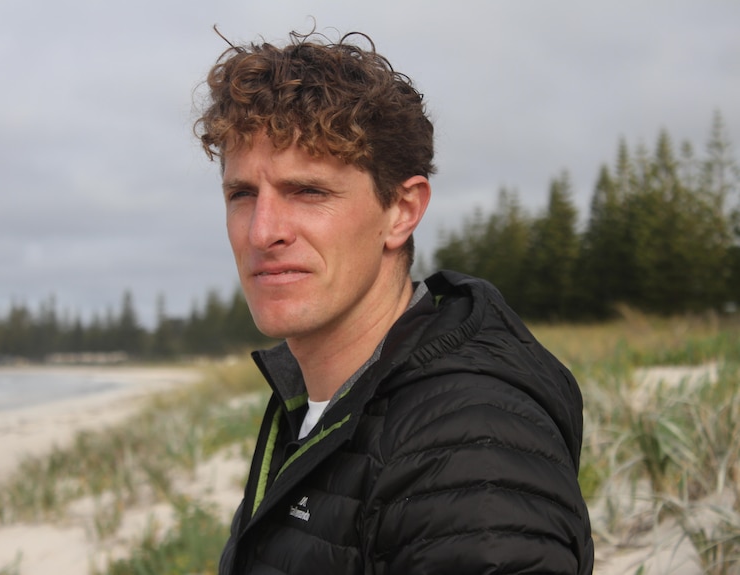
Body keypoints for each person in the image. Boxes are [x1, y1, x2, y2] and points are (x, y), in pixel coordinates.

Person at [194, 28, 594, 575]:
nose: (263, 232)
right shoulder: (320, 405)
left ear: (402, 211)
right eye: (242, 194)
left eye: (308, 191)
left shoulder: (466, 447)